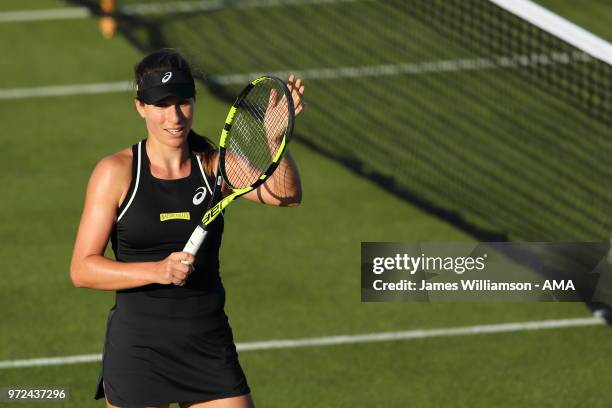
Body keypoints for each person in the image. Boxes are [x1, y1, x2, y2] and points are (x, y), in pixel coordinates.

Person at [70, 48, 304, 408]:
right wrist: (158, 270)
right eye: (162, 104)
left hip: (207, 347)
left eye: (183, 102)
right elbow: (82, 269)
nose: (175, 116)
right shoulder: (115, 173)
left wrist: (276, 141)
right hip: (139, 354)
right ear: (141, 107)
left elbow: (286, 195)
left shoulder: (214, 164)